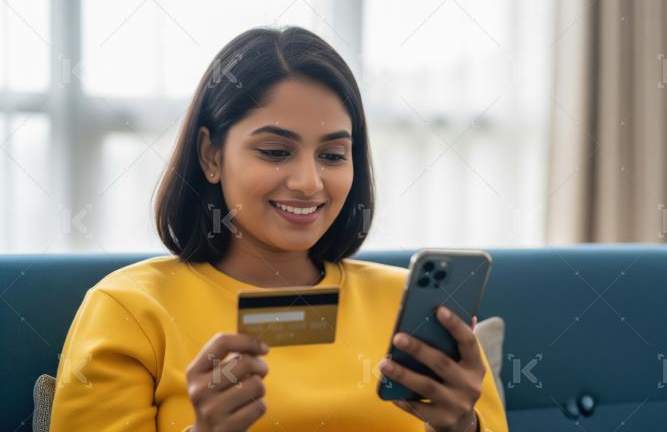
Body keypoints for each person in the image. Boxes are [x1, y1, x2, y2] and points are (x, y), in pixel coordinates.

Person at [49, 26, 508, 432]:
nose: (309, 183)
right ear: (211, 156)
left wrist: (463, 428)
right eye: (275, 151)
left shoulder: (407, 306)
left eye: (332, 156)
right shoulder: (131, 310)